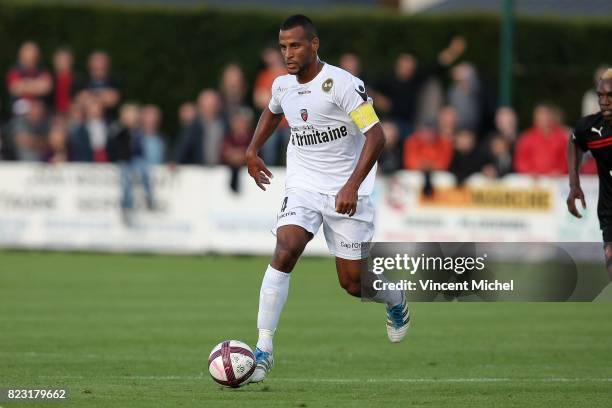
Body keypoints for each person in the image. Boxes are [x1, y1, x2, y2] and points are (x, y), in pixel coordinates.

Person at [245, 15, 409, 384]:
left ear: (314, 44)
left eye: (296, 45)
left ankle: (395, 298)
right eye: (283, 46)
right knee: (286, 247)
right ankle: (263, 350)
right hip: (302, 184)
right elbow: (272, 112)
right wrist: (252, 149)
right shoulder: (283, 85)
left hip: (348, 192)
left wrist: (351, 184)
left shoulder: (342, 84)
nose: (288, 53)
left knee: (352, 283)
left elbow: (377, 135)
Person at [567, 68, 612, 280]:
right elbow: (575, 141)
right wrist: (574, 184)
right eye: (600, 96)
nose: (604, 101)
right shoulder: (591, 128)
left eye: (610, 96)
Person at [513, 103, 568, 175]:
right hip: (532, 181)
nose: (544, 118)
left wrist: (560, 171)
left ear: (552, 117)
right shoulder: (526, 138)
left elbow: (567, 159)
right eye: (541, 115)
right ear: (535, 118)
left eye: (547, 115)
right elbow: (520, 161)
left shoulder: (562, 138)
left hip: (555, 180)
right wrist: (529, 172)